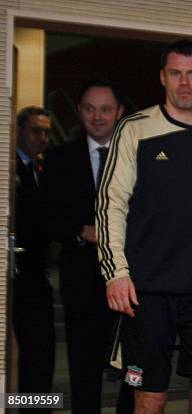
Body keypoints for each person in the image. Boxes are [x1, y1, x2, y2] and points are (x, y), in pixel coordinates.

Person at [96, 39, 192, 414]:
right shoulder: (135, 129)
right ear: (163, 78)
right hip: (146, 291)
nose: (185, 83)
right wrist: (116, 273)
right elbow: (110, 205)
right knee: (151, 398)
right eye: (176, 73)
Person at [42, 79, 133, 413]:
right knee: (83, 362)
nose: (98, 117)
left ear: (119, 112)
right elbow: (46, 217)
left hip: (131, 278)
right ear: (79, 112)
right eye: (90, 109)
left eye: (106, 109)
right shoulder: (59, 158)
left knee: (131, 365)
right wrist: (81, 232)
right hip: (80, 274)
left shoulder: (139, 157)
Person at [13, 106, 54, 411]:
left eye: (46, 132)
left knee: (40, 350)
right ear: (19, 131)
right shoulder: (10, 167)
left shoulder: (43, 169)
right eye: (35, 131)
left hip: (35, 272)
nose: (42, 138)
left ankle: (34, 408)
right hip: (13, 270)